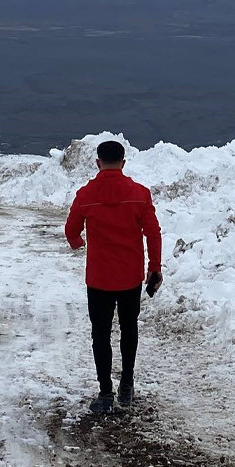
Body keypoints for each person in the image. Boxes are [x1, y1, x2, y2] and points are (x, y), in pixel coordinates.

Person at [64, 140, 163, 413]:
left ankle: (105, 391)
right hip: (130, 277)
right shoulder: (140, 194)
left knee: (101, 334)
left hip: (99, 278)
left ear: (97, 163)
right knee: (129, 328)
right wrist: (154, 267)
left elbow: (71, 229)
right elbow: (153, 232)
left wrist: (77, 243)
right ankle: (127, 385)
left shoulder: (85, 194)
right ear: (123, 162)